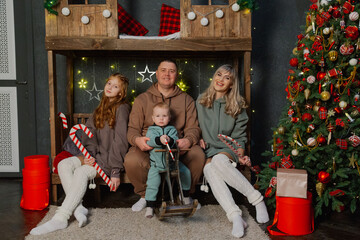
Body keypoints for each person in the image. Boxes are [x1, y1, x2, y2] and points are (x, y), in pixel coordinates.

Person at [30, 73, 131, 235]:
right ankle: (78, 208)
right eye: (109, 83)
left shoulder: (123, 108)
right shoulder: (99, 108)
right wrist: (89, 155)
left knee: (81, 172)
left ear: (121, 92)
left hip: (108, 160)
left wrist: (115, 171)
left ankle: (61, 218)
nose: (110, 87)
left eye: (115, 86)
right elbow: (88, 134)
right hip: (93, 156)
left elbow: (120, 141)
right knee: (64, 164)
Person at [196, 64, 269, 238]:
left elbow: (240, 137)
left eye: (226, 78)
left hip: (228, 148)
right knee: (209, 168)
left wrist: (241, 153)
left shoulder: (238, 105)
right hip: (208, 150)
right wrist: (197, 136)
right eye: (219, 75)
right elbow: (194, 126)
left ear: (232, 84)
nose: (221, 79)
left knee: (220, 161)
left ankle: (256, 199)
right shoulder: (200, 100)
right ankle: (235, 216)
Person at [125, 59, 205, 212]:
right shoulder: (143, 99)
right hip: (149, 147)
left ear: (176, 75)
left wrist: (188, 141)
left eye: (172, 71)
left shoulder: (186, 99)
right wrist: (138, 140)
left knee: (197, 154)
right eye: (163, 70)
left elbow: (193, 128)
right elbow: (132, 130)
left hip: (176, 148)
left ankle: (186, 194)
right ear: (157, 73)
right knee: (131, 159)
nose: (167, 74)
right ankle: (144, 196)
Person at [144, 102, 192, 218]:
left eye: (164, 116)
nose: (161, 119)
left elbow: (175, 140)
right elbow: (149, 141)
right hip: (157, 165)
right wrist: (159, 140)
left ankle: (184, 196)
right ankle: (150, 206)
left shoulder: (171, 129)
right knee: (152, 183)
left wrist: (170, 140)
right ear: (153, 118)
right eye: (158, 116)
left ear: (169, 118)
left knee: (185, 172)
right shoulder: (152, 129)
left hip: (171, 163)